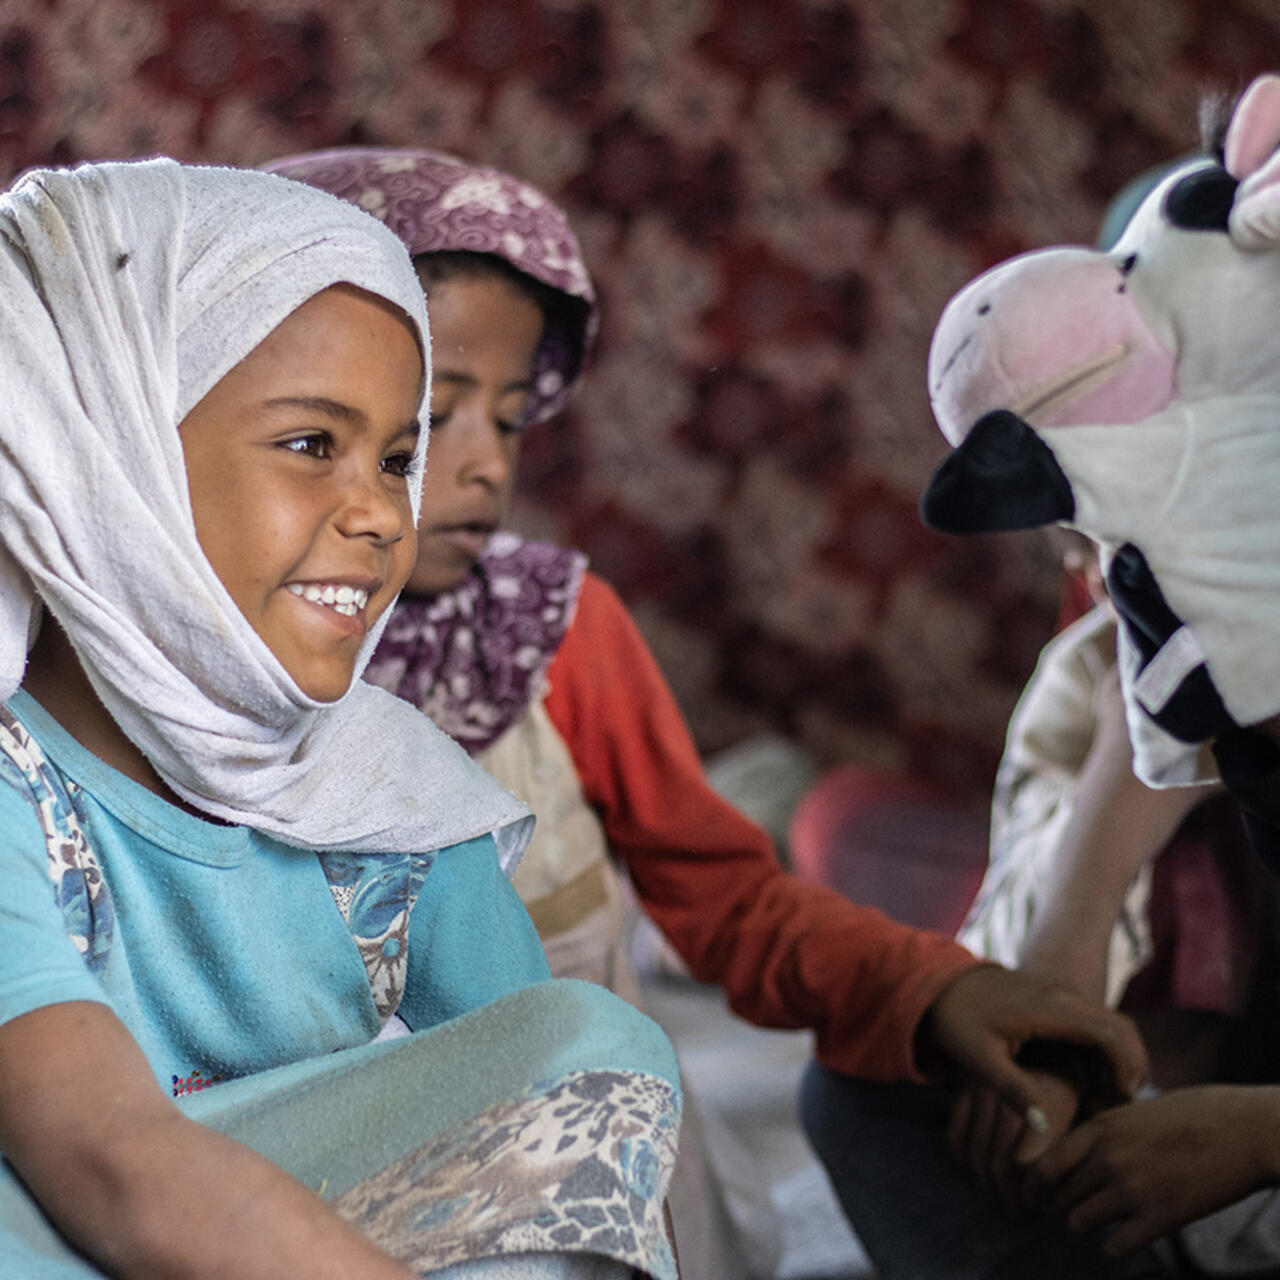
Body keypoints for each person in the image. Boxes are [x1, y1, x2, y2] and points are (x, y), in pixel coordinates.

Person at [263, 147, 1152, 1220]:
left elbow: (726, 900)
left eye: (504, 416)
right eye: (431, 414)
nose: (489, 463)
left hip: (583, 1164)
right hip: (305, 1183)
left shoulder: (553, 630)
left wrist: (932, 987)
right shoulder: (187, 674)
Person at [0, 156, 686, 1280]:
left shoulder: (395, 798)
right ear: (101, 453)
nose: (380, 512)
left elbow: (551, 1096)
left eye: (395, 457)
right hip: (74, 1221)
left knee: (590, 1045)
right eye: (312, 444)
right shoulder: (11, 783)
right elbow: (110, 1158)